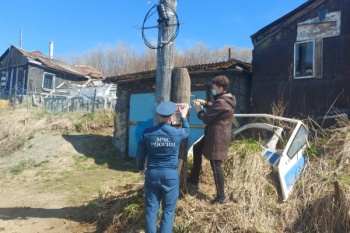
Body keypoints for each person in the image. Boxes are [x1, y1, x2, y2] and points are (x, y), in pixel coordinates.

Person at [136, 101, 190, 233]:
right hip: (170, 175)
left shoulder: (147, 133)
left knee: (151, 209)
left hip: (152, 173)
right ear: (172, 116)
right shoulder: (176, 133)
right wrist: (183, 115)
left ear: (158, 115)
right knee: (168, 211)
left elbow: (140, 153)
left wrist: (140, 168)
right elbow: (187, 131)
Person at [188, 75, 236, 205]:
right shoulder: (227, 98)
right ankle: (194, 178)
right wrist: (206, 103)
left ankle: (221, 197)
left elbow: (207, 119)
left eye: (214, 88)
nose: (213, 90)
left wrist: (199, 110)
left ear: (220, 88)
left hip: (217, 137)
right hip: (216, 134)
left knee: (216, 165)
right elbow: (217, 107)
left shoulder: (221, 101)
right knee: (197, 148)